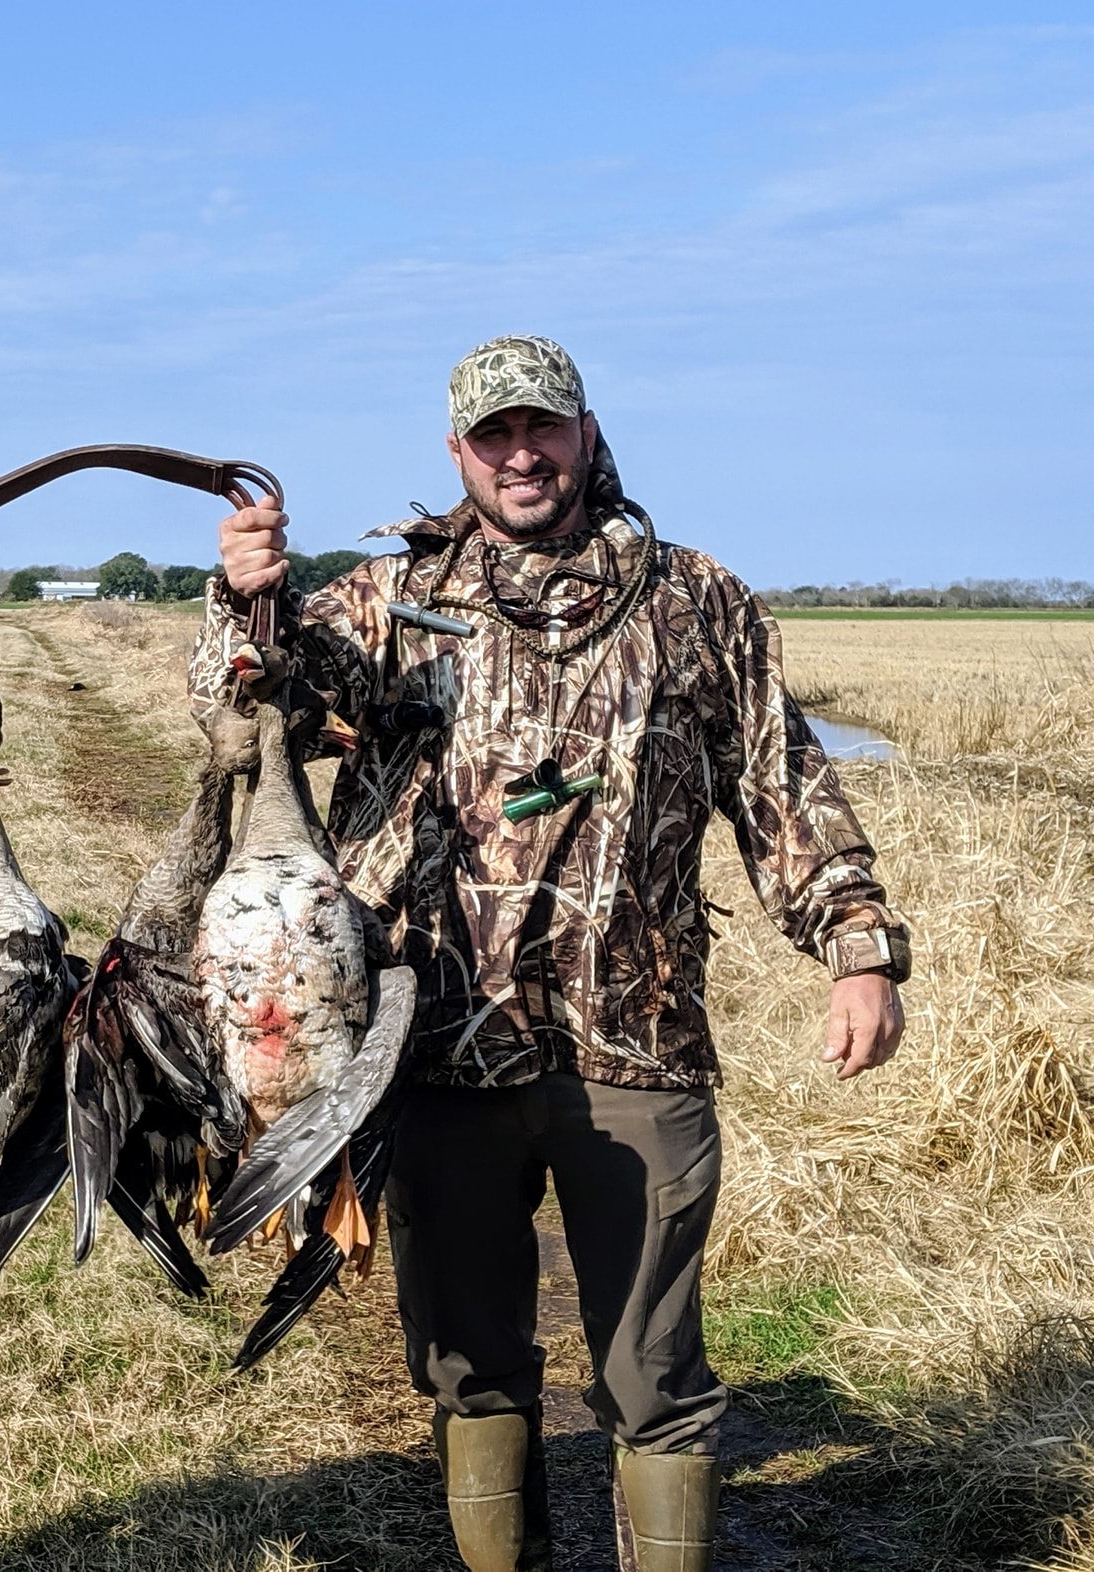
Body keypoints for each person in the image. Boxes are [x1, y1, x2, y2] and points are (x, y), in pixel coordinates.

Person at [195, 337, 907, 1571]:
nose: (519, 455)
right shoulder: (380, 605)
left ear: (583, 432)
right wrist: (241, 602)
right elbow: (234, 723)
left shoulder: (695, 600)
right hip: (430, 1050)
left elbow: (779, 785)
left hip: (638, 1040)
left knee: (653, 1369)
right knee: (467, 1364)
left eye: (541, 429)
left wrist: (855, 949)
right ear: (455, 451)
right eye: (492, 437)